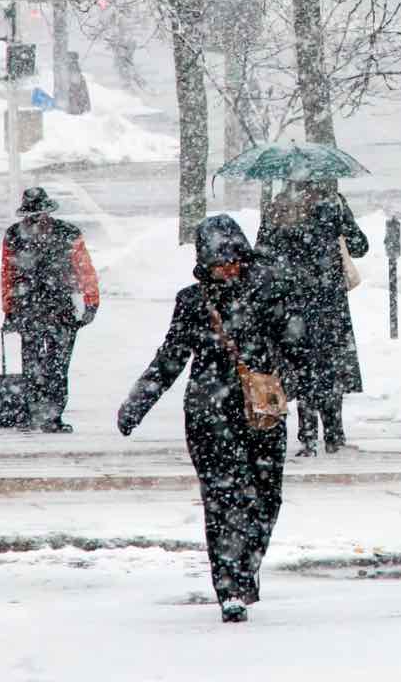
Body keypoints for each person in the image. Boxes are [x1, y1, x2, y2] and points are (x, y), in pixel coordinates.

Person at [117, 215, 290, 623]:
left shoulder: (267, 294)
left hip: (261, 416)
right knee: (224, 500)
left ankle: (246, 566)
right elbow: (170, 359)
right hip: (209, 416)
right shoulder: (193, 302)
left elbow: (296, 348)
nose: (229, 268)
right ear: (205, 263)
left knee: (266, 499)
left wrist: (294, 385)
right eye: (220, 261)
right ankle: (230, 587)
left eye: (235, 260)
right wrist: (137, 403)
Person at [257, 182, 368, 457]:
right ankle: (334, 435)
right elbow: (359, 245)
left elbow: (261, 254)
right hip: (329, 303)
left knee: (302, 366)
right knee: (329, 367)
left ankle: (307, 437)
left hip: (293, 304)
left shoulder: (277, 208)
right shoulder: (334, 206)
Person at [1, 187, 100, 433]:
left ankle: (50, 414)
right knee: (38, 363)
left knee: (54, 365)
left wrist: (91, 300)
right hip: (38, 309)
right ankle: (39, 413)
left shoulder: (18, 235)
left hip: (53, 309)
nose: (37, 220)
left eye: (39, 214)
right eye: (33, 216)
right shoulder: (62, 233)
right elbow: (8, 275)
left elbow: (84, 269)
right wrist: (9, 308)